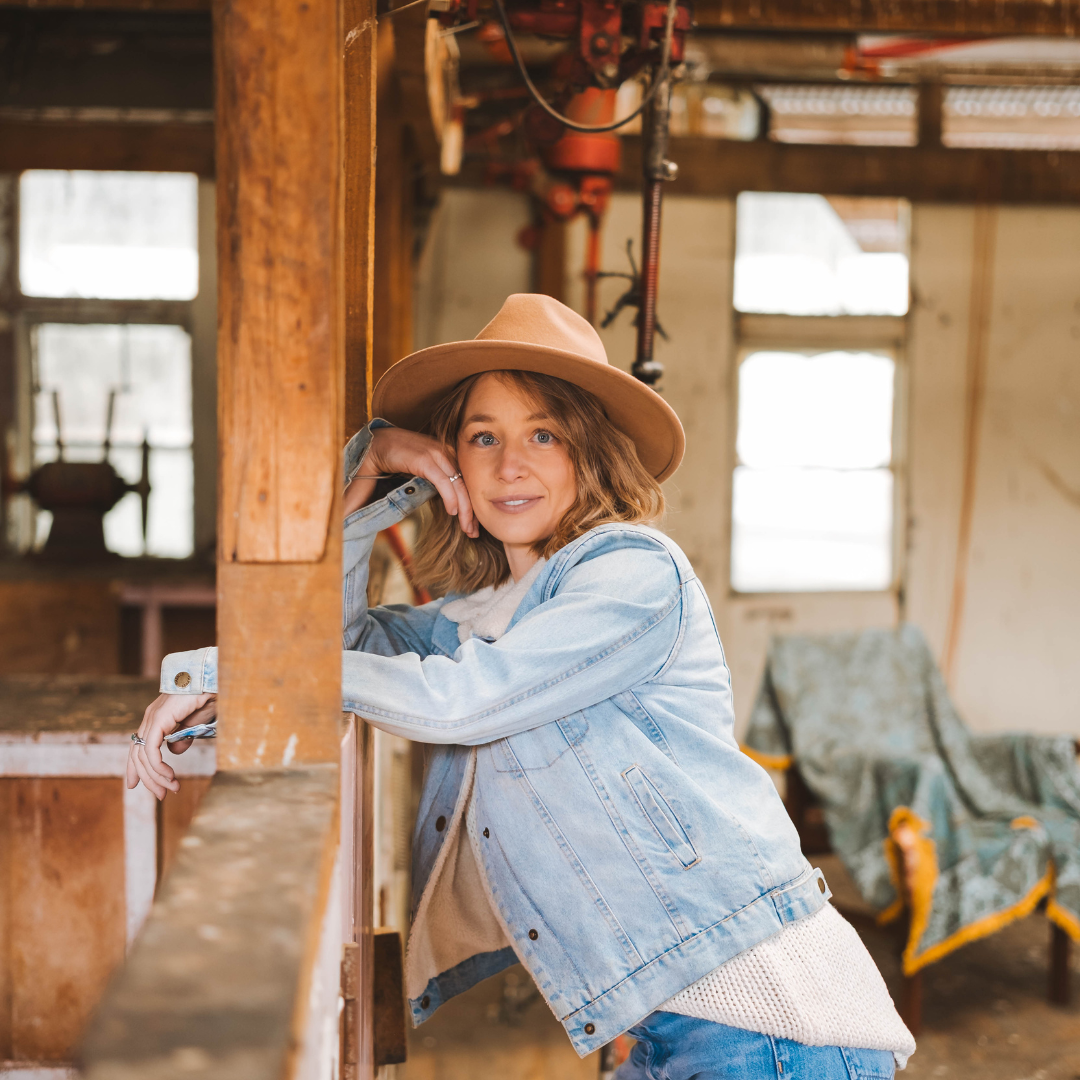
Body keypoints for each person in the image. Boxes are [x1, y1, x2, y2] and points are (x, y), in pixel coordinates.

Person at [128, 294, 915, 1080]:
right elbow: (337, 649)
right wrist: (374, 473)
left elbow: (461, 698)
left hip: (777, 1026)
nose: (510, 465)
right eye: (482, 438)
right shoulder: (481, 617)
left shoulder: (634, 574)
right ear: (453, 464)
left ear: (590, 452)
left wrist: (222, 669)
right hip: (679, 1032)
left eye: (544, 433)